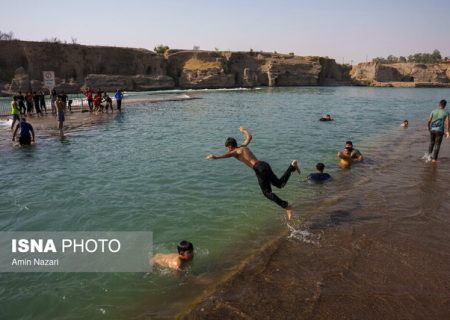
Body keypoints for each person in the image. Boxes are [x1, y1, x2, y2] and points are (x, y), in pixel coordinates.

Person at [207, 127, 300, 220]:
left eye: (228, 148)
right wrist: (244, 131)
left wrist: (216, 157)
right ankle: (292, 166)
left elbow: (227, 155)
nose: (227, 150)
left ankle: (286, 207)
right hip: (264, 164)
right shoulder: (243, 146)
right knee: (279, 184)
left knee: (267, 193)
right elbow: (249, 137)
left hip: (259, 169)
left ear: (231, 146)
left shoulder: (236, 151)